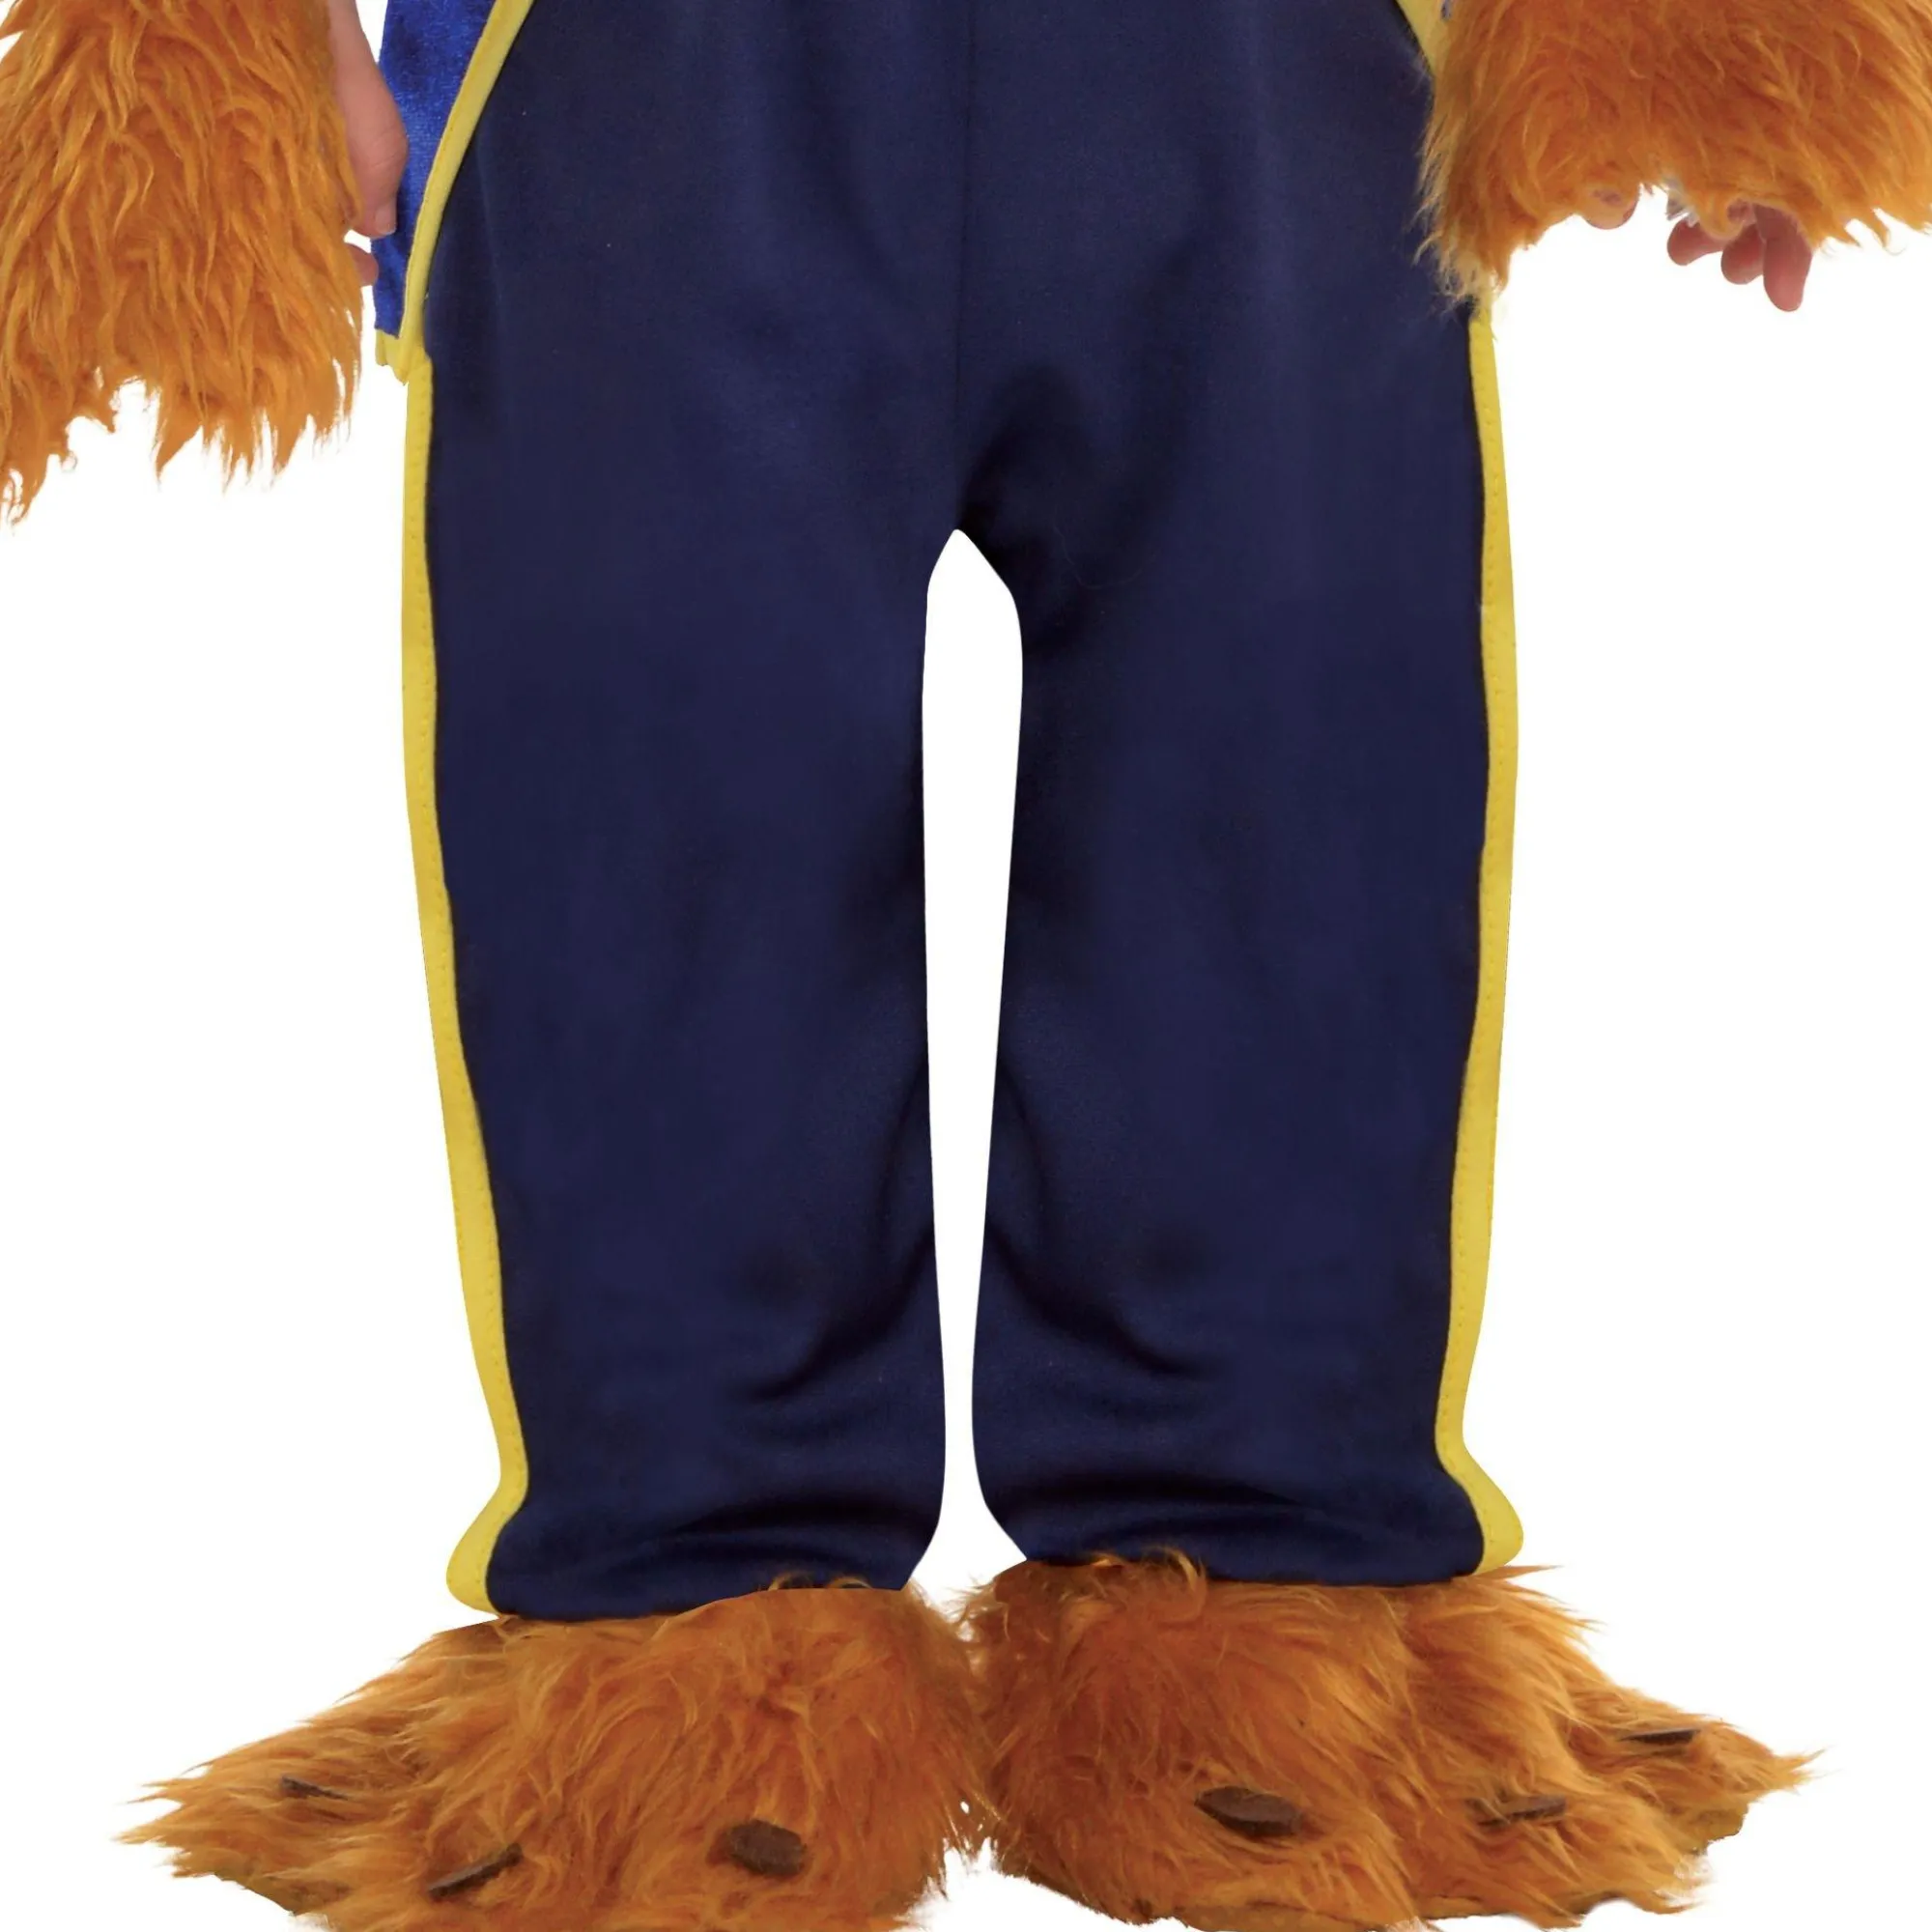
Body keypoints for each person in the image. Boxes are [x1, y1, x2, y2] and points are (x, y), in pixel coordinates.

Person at [4, 5, 1928, 1930]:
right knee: (651, 835)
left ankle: (1261, 1588)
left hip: (1265, 71)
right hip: (638, 75)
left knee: (1294, 790)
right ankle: (697, 1618)